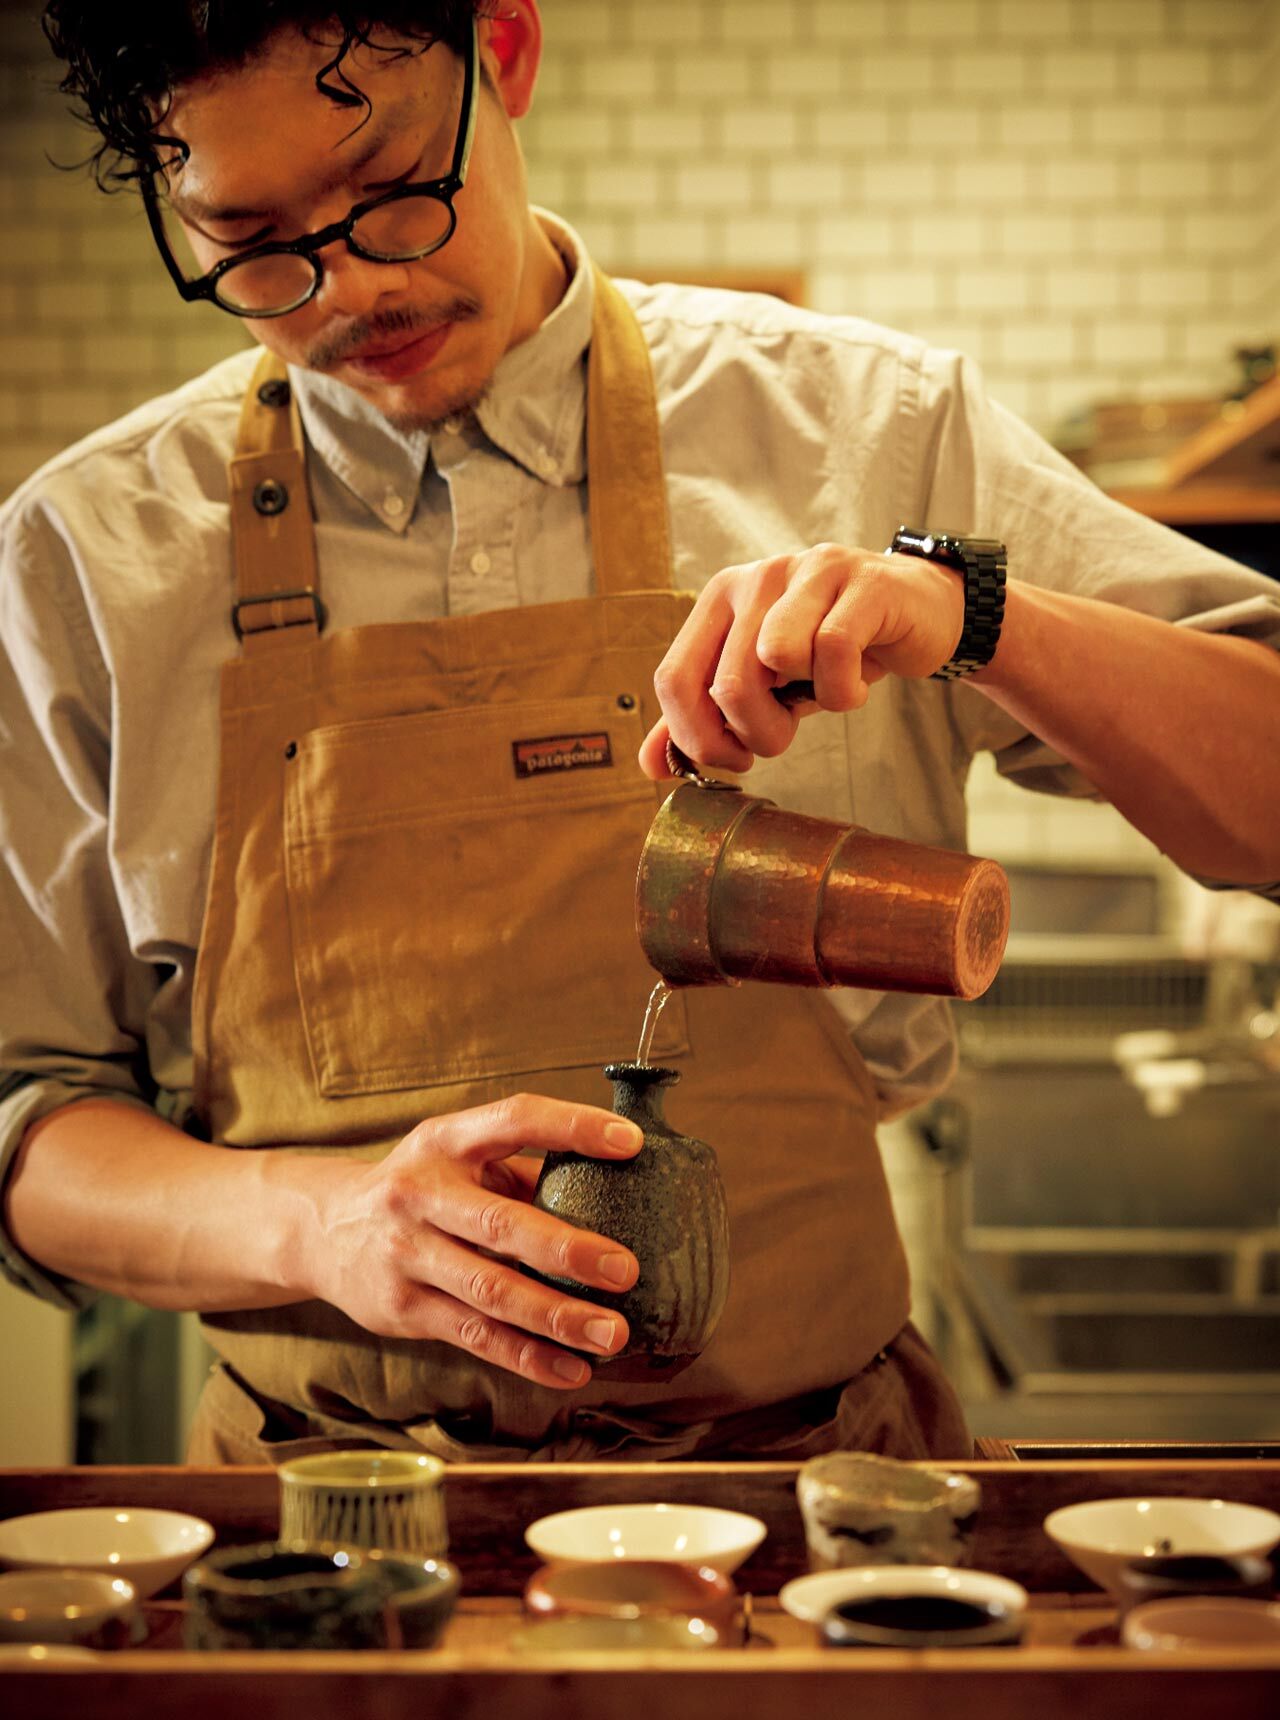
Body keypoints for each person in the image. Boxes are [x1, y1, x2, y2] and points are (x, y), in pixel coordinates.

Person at [2, 1, 1277, 1467]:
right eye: (256, 241)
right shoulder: (86, 561)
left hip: (819, 1522)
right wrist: (320, 1222)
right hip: (327, 1546)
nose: (353, 288)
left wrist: (979, 613)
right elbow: (30, 1123)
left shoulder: (866, 427)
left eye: (395, 191)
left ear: (508, 55)